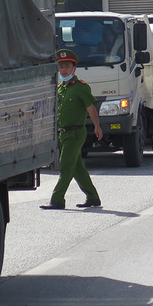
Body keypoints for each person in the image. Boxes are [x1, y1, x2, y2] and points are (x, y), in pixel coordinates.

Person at [41, 49, 103, 210]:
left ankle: (57, 200)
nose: (64, 70)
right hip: (63, 133)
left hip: (75, 133)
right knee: (77, 167)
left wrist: (97, 126)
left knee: (66, 166)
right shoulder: (60, 88)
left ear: (74, 69)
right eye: (61, 67)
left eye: (67, 66)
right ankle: (93, 197)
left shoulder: (81, 88)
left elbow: (90, 107)